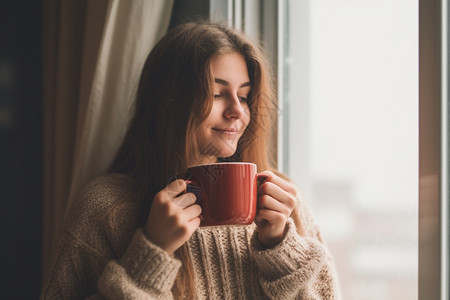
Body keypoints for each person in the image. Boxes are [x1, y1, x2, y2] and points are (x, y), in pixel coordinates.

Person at [40, 22, 340, 299]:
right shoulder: (107, 208)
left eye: (245, 96)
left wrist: (280, 245)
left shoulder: (281, 201)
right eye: (216, 93)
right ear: (169, 101)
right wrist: (152, 252)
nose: (237, 111)